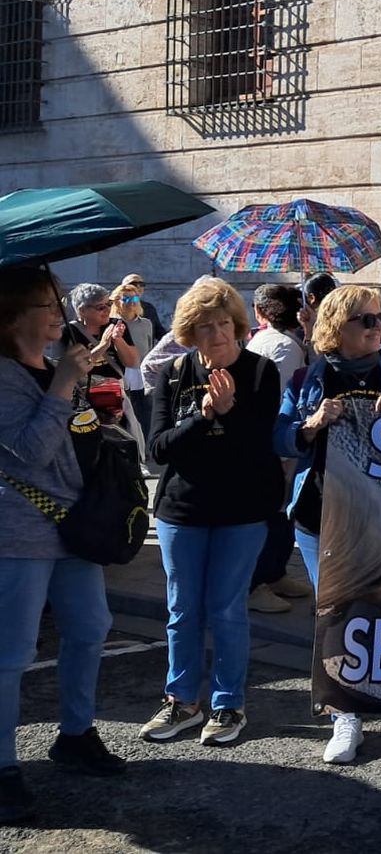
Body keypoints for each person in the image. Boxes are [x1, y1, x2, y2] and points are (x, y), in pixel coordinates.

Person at [275, 285, 381, 765]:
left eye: (379, 319)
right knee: (339, 616)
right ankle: (345, 714)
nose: (377, 328)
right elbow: (280, 440)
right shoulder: (309, 378)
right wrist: (310, 424)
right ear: (336, 327)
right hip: (320, 515)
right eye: (365, 320)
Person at [0, 268, 126, 825]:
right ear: (10, 317)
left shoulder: (55, 367)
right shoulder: (4, 376)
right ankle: (2, 766)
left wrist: (84, 399)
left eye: (57, 302)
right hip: (21, 532)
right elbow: (27, 451)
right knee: (12, 653)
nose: (57, 312)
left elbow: (71, 446)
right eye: (45, 304)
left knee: (91, 627)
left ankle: (75, 734)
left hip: (73, 527)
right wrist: (61, 387)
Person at [138, 279, 283, 748]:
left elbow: (257, 447)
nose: (218, 334)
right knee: (182, 610)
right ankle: (181, 700)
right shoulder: (174, 372)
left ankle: (228, 705)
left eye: (224, 324)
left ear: (239, 326)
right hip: (181, 510)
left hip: (241, 511)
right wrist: (203, 416)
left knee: (225, 609)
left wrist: (227, 412)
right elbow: (158, 451)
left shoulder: (261, 372)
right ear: (189, 332)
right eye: (205, 326)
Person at [244, 284, 313, 615]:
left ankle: (274, 573)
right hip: (274, 447)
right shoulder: (284, 348)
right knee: (273, 514)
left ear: (260, 313)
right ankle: (256, 581)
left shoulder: (273, 343)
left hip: (268, 444)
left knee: (281, 516)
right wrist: (286, 456)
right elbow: (285, 406)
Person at [111, 281, 156, 455]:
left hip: (142, 372)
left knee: (145, 412)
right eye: (126, 298)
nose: (131, 302)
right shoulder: (113, 323)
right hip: (122, 372)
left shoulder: (146, 323)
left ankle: (147, 448)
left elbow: (149, 347)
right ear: (117, 301)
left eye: (135, 297)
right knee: (127, 413)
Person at [120, 273, 167, 340]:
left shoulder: (148, 308)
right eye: (133, 284)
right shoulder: (112, 306)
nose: (138, 287)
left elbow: (159, 332)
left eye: (141, 284)